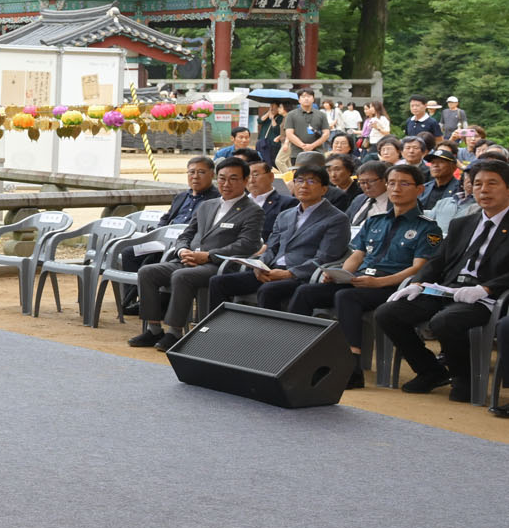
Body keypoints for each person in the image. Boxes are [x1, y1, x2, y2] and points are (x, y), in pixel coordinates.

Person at [284, 162, 441, 389]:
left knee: (346, 297)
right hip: (360, 280)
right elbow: (357, 256)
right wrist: (340, 274)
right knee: (305, 292)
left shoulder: (428, 228)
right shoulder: (375, 221)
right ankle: (294, 355)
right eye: (392, 183)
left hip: (391, 286)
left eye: (404, 184)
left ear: (419, 190)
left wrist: (379, 282)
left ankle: (351, 367)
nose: (396, 188)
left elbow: (419, 268)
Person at [375, 158, 509, 400]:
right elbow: (438, 260)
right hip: (449, 288)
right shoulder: (463, 223)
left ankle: (465, 379)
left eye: (492, 183)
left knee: (446, 321)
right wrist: (417, 282)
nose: (483, 190)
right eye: (477, 184)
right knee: (388, 313)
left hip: (488, 295)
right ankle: (430, 370)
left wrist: (487, 288)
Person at [128, 155, 263, 350]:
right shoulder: (207, 205)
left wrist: (208, 256)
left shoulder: (252, 211)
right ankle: (154, 329)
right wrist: (182, 250)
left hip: (219, 264)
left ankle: (175, 332)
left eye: (233, 179)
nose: (226, 184)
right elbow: (186, 234)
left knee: (182, 276)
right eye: (222, 178)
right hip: (189, 259)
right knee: (147, 272)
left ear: (245, 180)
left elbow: (247, 245)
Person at [207, 163, 350, 314]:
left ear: (324, 189)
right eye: (299, 181)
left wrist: (290, 273)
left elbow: (325, 257)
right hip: (272, 270)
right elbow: (271, 247)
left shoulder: (336, 219)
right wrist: (260, 266)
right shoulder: (285, 215)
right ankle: (218, 327)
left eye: (311, 181)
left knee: (269, 290)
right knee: (218, 282)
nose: (304, 186)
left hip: (302, 276)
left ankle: (271, 330)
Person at [279, 88, 329, 168]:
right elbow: (289, 133)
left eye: (309, 96)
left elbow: (326, 134)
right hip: (297, 153)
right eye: (303, 96)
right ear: (299, 100)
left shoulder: (321, 115)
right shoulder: (291, 115)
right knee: (299, 175)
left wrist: (312, 146)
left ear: (313, 99)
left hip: (317, 153)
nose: (306, 98)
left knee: (317, 174)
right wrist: (303, 146)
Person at [421, 145, 462, 211]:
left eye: (441, 162)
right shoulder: (424, 188)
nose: (435, 165)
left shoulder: (460, 188)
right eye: (433, 162)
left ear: (453, 167)